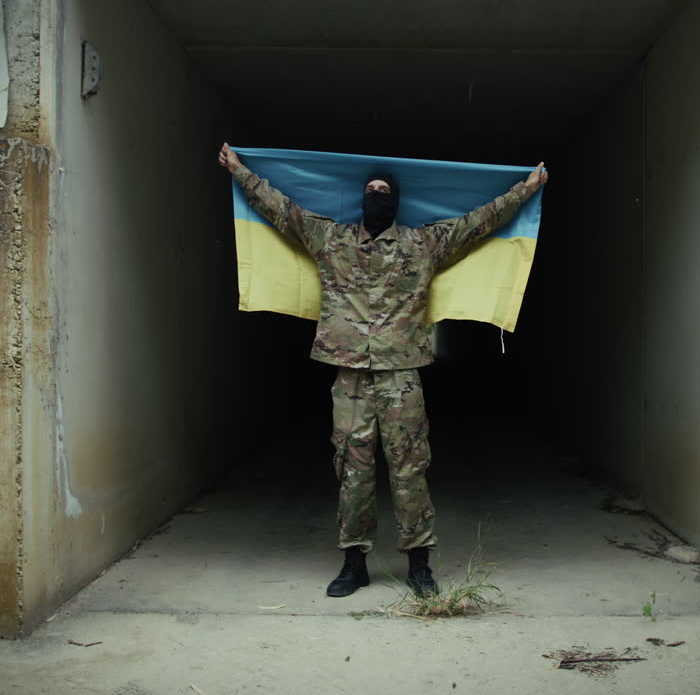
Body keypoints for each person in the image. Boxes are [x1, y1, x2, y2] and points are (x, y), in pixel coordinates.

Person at [218, 143, 547, 597]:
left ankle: (419, 566)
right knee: (351, 470)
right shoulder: (329, 239)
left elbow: (479, 221)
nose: (377, 196)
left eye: (384, 191)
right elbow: (281, 210)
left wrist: (524, 191)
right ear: (361, 199)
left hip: (401, 375)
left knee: (410, 469)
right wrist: (239, 171)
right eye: (370, 190)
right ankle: (354, 563)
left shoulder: (423, 244)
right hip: (349, 375)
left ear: (394, 202)